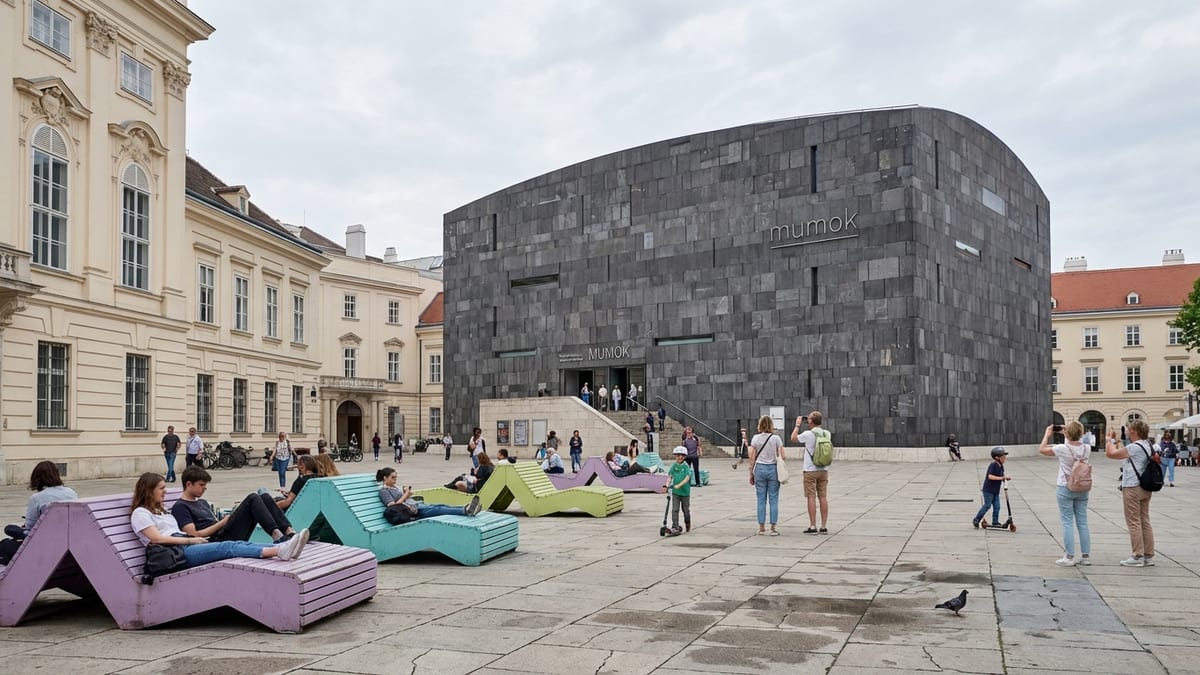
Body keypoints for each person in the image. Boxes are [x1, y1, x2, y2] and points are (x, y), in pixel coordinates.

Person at [131, 473, 309, 567]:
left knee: (239, 542)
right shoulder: (140, 513)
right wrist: (190, 539)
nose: (165, 492)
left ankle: (284, 546)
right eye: (161, 488)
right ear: (149, 490)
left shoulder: (162, 511)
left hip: (187, 545)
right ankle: (279, 548)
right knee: (229, 546)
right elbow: (156, 538)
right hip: (177, 552)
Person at [171, 466, 298, 544]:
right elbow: (194, 535)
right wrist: (223, 522)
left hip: (224, 531)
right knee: (252, 498)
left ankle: (288, 531)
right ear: (188, 484)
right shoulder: (181, 507)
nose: (205, 488)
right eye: (201, 485)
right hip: (216, 540)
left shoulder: (202, 502)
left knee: (264, 497)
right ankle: (277, 537)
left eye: (205, 485)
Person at [0, 461, 77, 563]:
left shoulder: (37, 498)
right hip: (67, 542)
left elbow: (29, 526)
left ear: (37, 478)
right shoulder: (71, 492)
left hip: (42, 546)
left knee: (5, 542)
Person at [1039, 422, 1092, 566]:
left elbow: (1042, 449)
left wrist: (1047, 434)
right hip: (1082, 487)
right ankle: (1085, 556)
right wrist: (1068, 433)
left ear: (1067, 434)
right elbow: (1074, 445)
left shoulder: (1062, 448)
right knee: (1082, 521)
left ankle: (1069, 556)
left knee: (1067, 522)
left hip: (1065, 487)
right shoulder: (1087, 448)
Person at [1106, 421, 1157, 566]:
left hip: (1132, 487)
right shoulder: (1147, 444)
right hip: (1145, 487)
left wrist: (1110, 440)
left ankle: (1137, 556)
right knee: (1144, 520)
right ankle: (1148, 555)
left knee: (1134, 521)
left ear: (1134, 431)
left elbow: (1111, 454)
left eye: (1128, 429)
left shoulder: (1135, 447)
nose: (1127, 431)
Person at [377, 468, 482, 519]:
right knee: (439, 510)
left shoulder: (394, 487)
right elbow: (392, 507)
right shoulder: (384, 491)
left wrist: (407, 493)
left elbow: (405, 499)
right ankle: (466, 510)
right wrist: (405, 495)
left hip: (415, 506)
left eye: (396, 477)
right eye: (392, 478)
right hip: (413, 512)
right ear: (385, 478)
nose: (395, 480)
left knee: (441, 506)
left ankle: (466, 509)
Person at [791, 412, 830, 534]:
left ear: (811, 421)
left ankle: (813, 526)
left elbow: (793, 438)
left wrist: (797, 425)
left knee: (811, 497)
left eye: (808, 419)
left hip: (810, 470)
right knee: (823, 497)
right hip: (823, 469)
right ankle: (823, 526)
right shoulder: (826, 433)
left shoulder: (808, 434)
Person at [750, 415, 785, 536]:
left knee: (761, 499)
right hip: (773, 469)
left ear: (760, 425)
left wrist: (751, 473)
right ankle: (773, 528)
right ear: (771, 425)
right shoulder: (776, 438)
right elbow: (783, 455)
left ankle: (761, 527)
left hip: (759, 469)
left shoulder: (755, 438)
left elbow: (752, 458)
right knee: (773, 499)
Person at [972, 446, 1011, 528]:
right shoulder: (993, 465)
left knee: (997, 507)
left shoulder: (1001, 466)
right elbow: (990, 476)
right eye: (1003, 457)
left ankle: (995, 521)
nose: (1005, 458)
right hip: (988, 490)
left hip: (995, 491)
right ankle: (976, 519)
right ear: (997, 457)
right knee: (987, 505)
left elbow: (1002, 475)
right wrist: (1002, 478)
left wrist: (1005, 478)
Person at [666, 447, 692, 533]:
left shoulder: (686, 466)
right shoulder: (674, 466)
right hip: (676, 493)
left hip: (685, 492)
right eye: (678, 455)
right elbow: (670, 476)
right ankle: (675, 526)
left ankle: (687, 523)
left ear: (685, 457)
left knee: (685, 510)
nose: (680, 457)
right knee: (675, 509)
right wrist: (666, 485)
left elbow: (687, 478)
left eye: (682, 455)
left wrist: (679, 485)